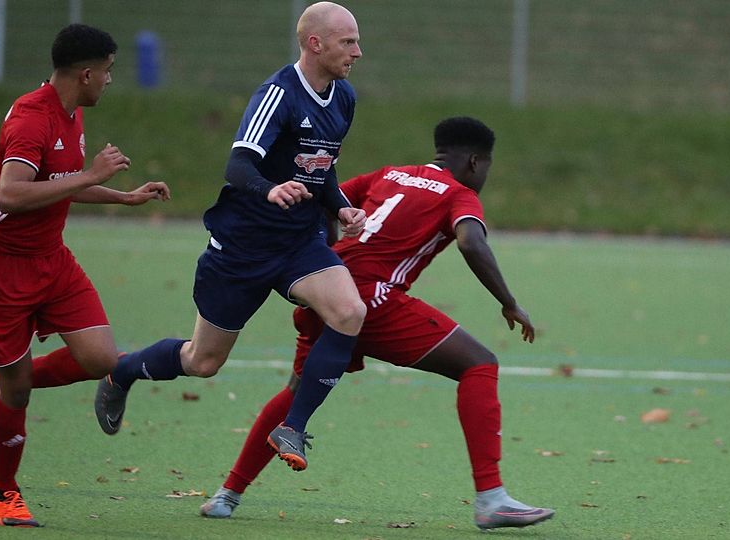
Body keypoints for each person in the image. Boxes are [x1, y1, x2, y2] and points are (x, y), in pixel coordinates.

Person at [199, 117, 555, 530]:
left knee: (298, 389)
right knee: (479, 363)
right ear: (475, 162)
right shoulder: (459, 194)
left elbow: (323, 199)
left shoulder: (390, 174)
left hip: (326, 289)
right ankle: (492, 499)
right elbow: (471, 241)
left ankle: (227, 494)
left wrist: (328, 247)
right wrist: (509, 303)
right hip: (372, 301)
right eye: (487, 167)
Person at [94, 1, 367, 472]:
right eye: (348, 42)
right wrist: (270, 189)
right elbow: (239, 164)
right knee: (202, 361)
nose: (357, 52)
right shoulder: (277, 94)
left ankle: (292, 427)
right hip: (243, 246)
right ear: (315, 43)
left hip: (299, 243)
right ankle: (122, 371)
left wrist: (340, 205)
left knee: (350, 312)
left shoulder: (343, 98)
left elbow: (321, 166)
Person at [0, 24, 170, 527]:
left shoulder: (71, 111)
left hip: (50, 257)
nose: (110, 80)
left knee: (100, 358)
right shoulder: (31, 119)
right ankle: (4, 493)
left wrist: (122, 196)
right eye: (108, 71)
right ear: (86, 73)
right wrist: (93, 175)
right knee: (18, 391)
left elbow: (59, 183)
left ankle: (2, 377)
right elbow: (12, 195)